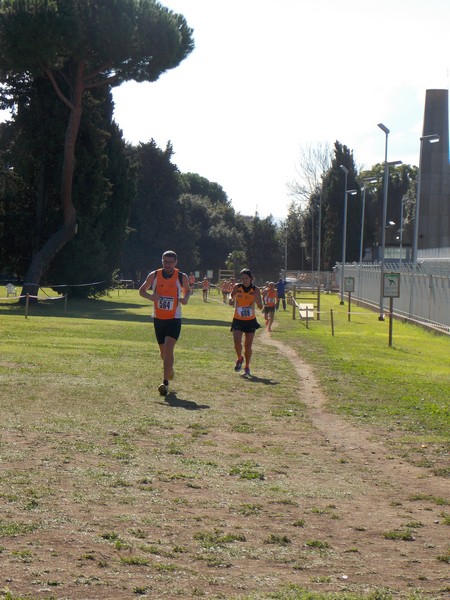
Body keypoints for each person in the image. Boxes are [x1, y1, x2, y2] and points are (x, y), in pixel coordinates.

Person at [139, 250, 190, 397]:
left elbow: (187, 291)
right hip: (158, 318)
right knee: (163, 353)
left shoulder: (181, 277)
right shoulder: (154, 275)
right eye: (165, 262)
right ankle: (170, 370)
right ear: (162, 261)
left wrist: (185, 298)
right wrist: (151, 297)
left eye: (170, 262)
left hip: (174, 318)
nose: (167, 265)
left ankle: (165, 383)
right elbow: (141, 291)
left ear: (176, 262)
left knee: (168, 348)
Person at [230, 268, 263, 377]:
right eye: (242, 278)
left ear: (251, 279)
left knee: (248, 346)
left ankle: (247, 366)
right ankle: (239, 358)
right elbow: (231, 296)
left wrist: (259, 303)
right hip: (238, 319)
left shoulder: (255, 289)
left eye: (246, 278)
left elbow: (260, 304)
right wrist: (231, 299)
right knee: (237, 342)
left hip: (250, 320)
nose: (244, 280)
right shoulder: (237, 287)